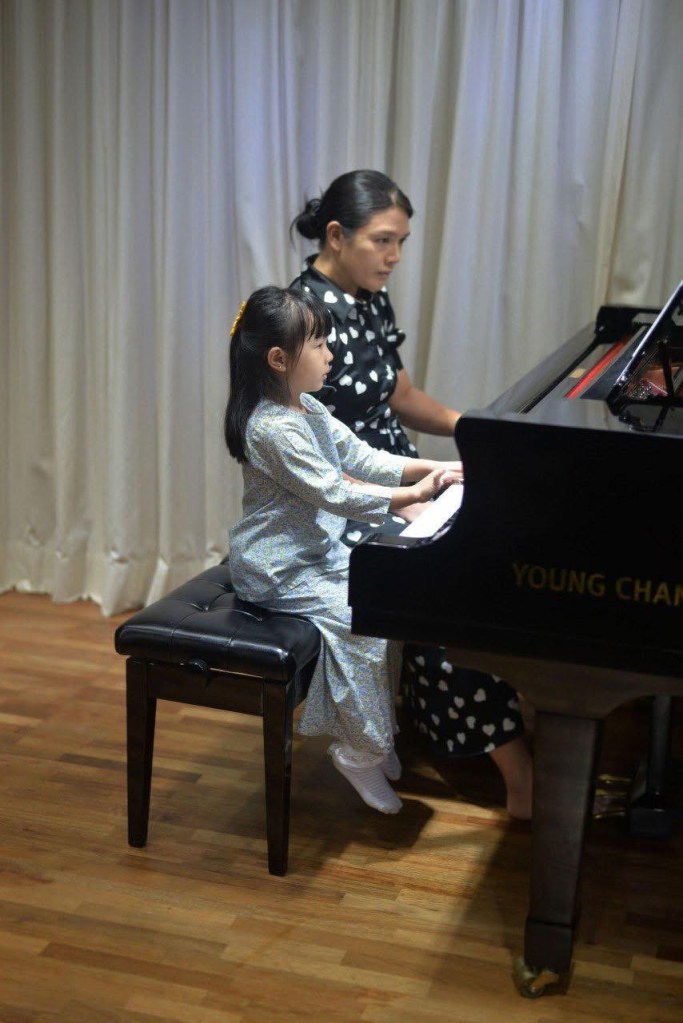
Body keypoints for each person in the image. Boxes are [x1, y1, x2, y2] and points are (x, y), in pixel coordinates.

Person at [290, 169, 533, 819]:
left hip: (394, 471)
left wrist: (476, 431)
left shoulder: (369, 297)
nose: (394, 256)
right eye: (382, 240)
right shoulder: (299, 315)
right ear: (336, 236)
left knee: (482, 554)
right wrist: (399, 498)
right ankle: (518, 780)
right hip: (339, 499)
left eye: (401, 242)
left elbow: (399, 396)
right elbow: (307, 456)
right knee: (445, 585)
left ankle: (459, 732)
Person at [224, 285, 462, 815]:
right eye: (319, 345)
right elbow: (334, 492)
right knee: (361, 625)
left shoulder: (306, 407)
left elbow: (362, 457)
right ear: (279, 359)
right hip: (277, 568)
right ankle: (359, 750)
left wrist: (438, 467)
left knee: (387, 609)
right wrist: (415, 494)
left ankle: (376, 736)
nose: (331, 355)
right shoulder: (270, 428)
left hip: (315, 553)